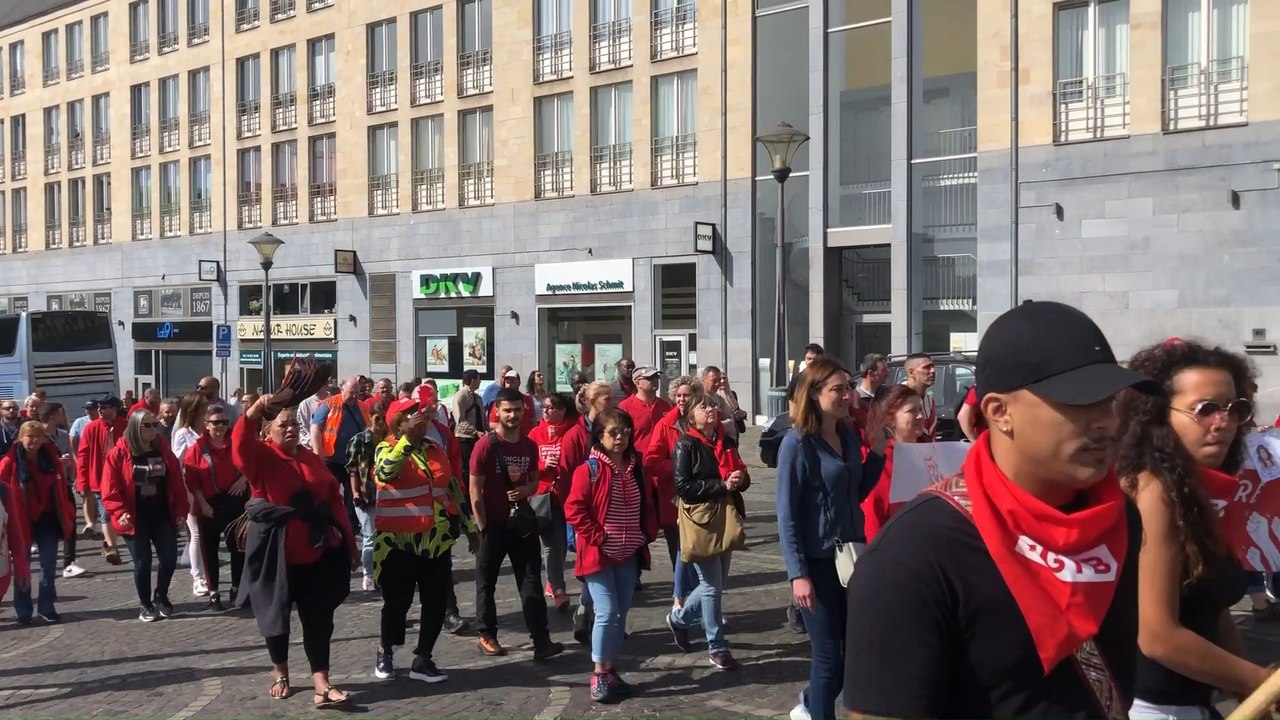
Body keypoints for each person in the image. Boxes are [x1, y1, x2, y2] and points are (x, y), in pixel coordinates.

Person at [843, 300, 1153, 718]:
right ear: (999, 412)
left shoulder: (1120, 518)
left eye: (1110, 401)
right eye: (1080, 402)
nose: (1108, 422)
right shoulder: (913, 557)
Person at [1114, 339, 1268, 717]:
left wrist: (1254, 695)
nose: (1224, 422)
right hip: (1154, 710)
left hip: (1194, 706)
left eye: (1235, 409)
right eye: (1206, 409)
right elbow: (1158, 637)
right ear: (1158, 415)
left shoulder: (1199, 491)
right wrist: (1262, 682)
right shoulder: (1153, 489)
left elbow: (1213, 610)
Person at [776, 359, 887, 720]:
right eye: (838, 389)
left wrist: (878, 452)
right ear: (815, 394)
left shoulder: (847, 435)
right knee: (828, 657)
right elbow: (787, 515)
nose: (847, 395)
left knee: (853, 655)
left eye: (848, 387)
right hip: (817, 563)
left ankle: (811, 702)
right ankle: (817, 709)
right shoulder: (797, 443)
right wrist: (798, 574)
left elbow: (855, 491)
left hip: (851, 557)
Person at [233, 391, 358, 708]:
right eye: (282, 425)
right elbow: (240, 444)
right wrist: (255, 410)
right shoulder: (261, 457)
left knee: (319, 616)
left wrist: (349, 542)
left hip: (315, 552)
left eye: (293, 424)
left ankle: (322, 683)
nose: (290, 429)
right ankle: (280, 672)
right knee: (275, 614)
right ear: (268, 432)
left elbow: (333, 500)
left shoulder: (311, 458)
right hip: (274, 552)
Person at [371, 399, 477, 683]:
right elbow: (385, 473)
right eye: (411, 413)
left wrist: (469, 526)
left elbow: (452, 487)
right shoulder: (386, 448)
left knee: (435, 602)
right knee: (397, 604)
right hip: (398, 544)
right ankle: (385, 649)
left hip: (436, 541)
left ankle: (423, 659)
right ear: (398, 422)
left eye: (419, 411)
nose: (419, 415)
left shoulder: (435, 448)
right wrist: (407, 440)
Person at [564, 408, 658, 704]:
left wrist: (646, 533)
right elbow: (574, 509)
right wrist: (599, 537)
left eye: (625, 432)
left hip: (628, 553)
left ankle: (611, 670)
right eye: (613, 432)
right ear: (600, 436)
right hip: (599, 554)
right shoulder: (588, 470)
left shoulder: (636, 467)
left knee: (621, 613)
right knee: (606, 611)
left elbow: (647, 503)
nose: (620, 438)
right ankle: (598, 673)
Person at [469, 388, 564, 660]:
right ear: (497, 411)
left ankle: (541, 640)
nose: (513, 415)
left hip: (522, 523)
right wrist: (482, 526)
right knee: (486, 582)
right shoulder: (485, 445)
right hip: (493, 524)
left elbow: (534, 481)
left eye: (517, 410)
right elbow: (474, 489)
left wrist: (525, 491)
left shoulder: (529, 445)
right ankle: (487, 634)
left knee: (531, 581)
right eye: (507, 410)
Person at [667, 393, 750, 670]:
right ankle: (717, 647)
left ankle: (679, 620)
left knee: (714, 585)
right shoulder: (686, 445)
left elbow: (741, 473)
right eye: (703, 407)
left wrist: (740, 478)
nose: (711, 409)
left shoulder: (725, 441)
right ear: (691, 416)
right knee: (712, 586)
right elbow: (683, 487)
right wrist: (721, 485)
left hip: (726, 516)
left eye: (712, 405)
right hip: (701, 520)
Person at [99, 409, 189, 622]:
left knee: (169, 558)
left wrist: (180, 511)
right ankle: (145, 604)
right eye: (147, 425)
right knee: (143, 561)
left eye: (155, 425)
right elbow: (110, 488)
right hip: (134, 517)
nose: (153, 429)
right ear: (135, 427)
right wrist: (119, 511)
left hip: (161, 514)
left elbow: (176, 481)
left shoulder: (162, 450)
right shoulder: (119, 453)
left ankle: (161, 595)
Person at [1, 421, 75, 623]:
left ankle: (46, 607)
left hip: (48, 519)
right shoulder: (9, 462)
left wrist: (67, 513)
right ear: (20, 438)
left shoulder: (50, 458)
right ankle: (23, 611)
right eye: (30, 436)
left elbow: (61, 487)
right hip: (20, 520)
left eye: (38, 437)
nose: (34, 441)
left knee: (48, 566)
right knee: (22, 565)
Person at [643, 376, 702, 610]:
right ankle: (681, 598)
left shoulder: (706, 420)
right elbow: (651, 461)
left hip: (702, 499)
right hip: (674, 499)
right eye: (678, 395)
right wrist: (679, 467)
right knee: (679, 551)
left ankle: (698, 601)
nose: (681, 399)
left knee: (701, 552)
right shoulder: (665, 424)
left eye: (686, 395)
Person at [183, 405, 249, 611]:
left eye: (224, 422)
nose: (220, 426)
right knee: (209, 551)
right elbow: (192, 480)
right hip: (209, 503)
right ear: (206, 425)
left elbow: (253, 462)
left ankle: (237, 589)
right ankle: (214, 593)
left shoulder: (236, 443)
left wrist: (243, 480)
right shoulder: (197, 448)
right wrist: (202, 504)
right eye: (216, 422)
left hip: (234, 502)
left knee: (238, 549)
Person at [527, 392, 588, 612]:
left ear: (562, 411)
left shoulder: (573, 431)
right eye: (544, 407)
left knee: (565, 544)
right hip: (545, 496)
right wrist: (543, 466)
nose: (546, 411)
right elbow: (529, 465)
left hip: (570, 495)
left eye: (551, 407)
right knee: (551, 545)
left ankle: (553, 582)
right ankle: (559, 591)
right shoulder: (535, 433)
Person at [859, 384, 928, 543]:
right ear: (891, 419)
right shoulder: (882, 460)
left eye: (920, 409)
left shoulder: (929, 453)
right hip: (896, 547)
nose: (920, 416)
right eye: (911, 411)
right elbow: (873, 518)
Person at [344, 400, 389, 594]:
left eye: (384, 419)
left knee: (385, 536)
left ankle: (383, 573)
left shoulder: (389, 439)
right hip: (366, 494)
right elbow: (353, 469)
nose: (381, 423)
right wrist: (355, 493)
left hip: (386, 495)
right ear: (370, 418)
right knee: (370, 536)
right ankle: (369, 575)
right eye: (377, 419)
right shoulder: (359, 440)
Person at [76, 395, 127, 565]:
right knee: (106, 512)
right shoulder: (91, 428)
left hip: (123, 478)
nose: (99, 410)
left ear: (114, 408)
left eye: (103, 407)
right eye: (98, 407)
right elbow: (83, 455)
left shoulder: (126, 426)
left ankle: (108, 541)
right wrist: (82, 481)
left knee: (119, 512)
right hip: (99, 479)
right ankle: (112, 547)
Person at [701, 366, 747, 441]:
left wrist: (742, 414)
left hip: (727, 438)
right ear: (703, 380)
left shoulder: (723, 397)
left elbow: (729, 415)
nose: (718, 383)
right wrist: (728, 423)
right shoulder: (698, 398)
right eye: (714, 381)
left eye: (722, 379)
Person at [487, 370, 537, 437]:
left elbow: (532, 420)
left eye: (512, 382)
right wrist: (509, 429)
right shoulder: (500, 401)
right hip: (506, 438)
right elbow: (492, 423)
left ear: (519, 383)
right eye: (507, 382)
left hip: (525, 437)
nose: (509, 385)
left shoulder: (527, 399)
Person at [902, 352, 939, 440]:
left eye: (933, 367)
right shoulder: (898, 398)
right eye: (926, 367)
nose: (933, 371)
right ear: (911, 372)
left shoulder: (930, 400)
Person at [786, 344, 826, 413]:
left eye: (815, 359)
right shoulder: (797, 380)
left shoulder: (828, 378)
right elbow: (792, 401)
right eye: (809, 359)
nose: (812, 362)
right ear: (805, 359)